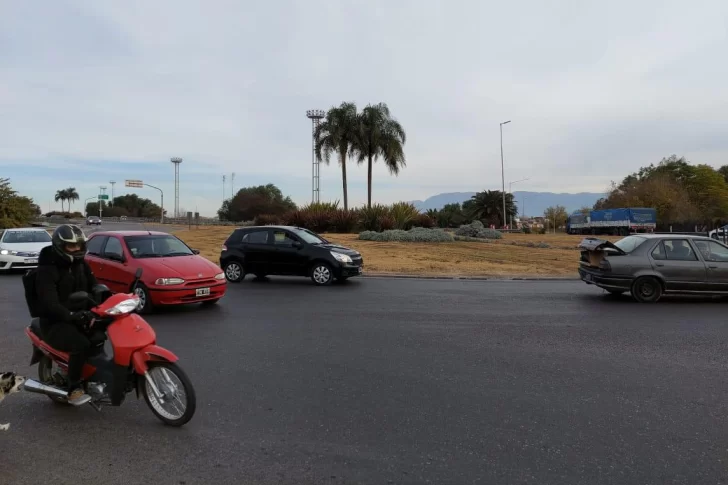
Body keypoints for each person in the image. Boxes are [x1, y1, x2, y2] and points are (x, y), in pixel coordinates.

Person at [35, 224, 97, 405]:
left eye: (79, 245)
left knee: (100, 335)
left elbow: (95, 286)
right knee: (81, 344)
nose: (76, 249)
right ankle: (73, 387)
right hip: (55, 322)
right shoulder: (47, 269)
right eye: (71, 246)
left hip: (81, 315)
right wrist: (70, 315)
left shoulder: (81, 264)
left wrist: (115, 299)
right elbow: (50, 303)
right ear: (60, 246)